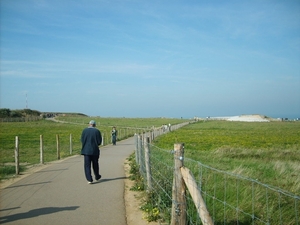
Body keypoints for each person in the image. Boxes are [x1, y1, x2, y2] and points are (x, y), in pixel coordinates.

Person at [81, 120, 102, 184]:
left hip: (86, 150)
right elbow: (99, 141)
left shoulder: (84, 131)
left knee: (87, 165)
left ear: (89, 124)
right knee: (95, 164)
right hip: (94, 150)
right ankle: (97, 175)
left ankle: (89, 179)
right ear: (94, 125)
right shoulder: (97, 131)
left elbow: (82, 140)